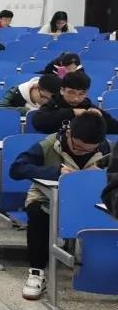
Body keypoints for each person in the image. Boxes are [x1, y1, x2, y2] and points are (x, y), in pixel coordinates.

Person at [11, 115, 111, 300]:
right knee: (37, 212)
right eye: (78, 147)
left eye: (89, 150)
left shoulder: (105, 148)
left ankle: (107, 271)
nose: (82, 152)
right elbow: (17, 169)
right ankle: (36, 273)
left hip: (91, 200)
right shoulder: (49, 144)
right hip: (48, 199)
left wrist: (102, 174)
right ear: (69, 133)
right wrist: (55, 171)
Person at [32, 71, 118, 134]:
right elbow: (38, 122)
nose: (76, 98)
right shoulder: (53, 103)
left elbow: (114, 128)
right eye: (71, 92)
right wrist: (72, 112)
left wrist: (100, 119)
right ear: (62, 90)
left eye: (81, 94)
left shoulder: (88, 106)